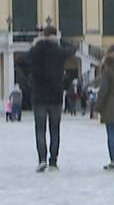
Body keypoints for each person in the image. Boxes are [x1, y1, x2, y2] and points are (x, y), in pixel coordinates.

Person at [18, 25, 77, 173]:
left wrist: (35, 44)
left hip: (39, 95)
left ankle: (42, 159)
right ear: (55, 36)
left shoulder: (37, 50)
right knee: (55, 129)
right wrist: (60, 40)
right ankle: (53, 161)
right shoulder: (59, 51)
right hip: (56, 95)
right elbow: (73, 48)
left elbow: (20, 61)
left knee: (40, 129)